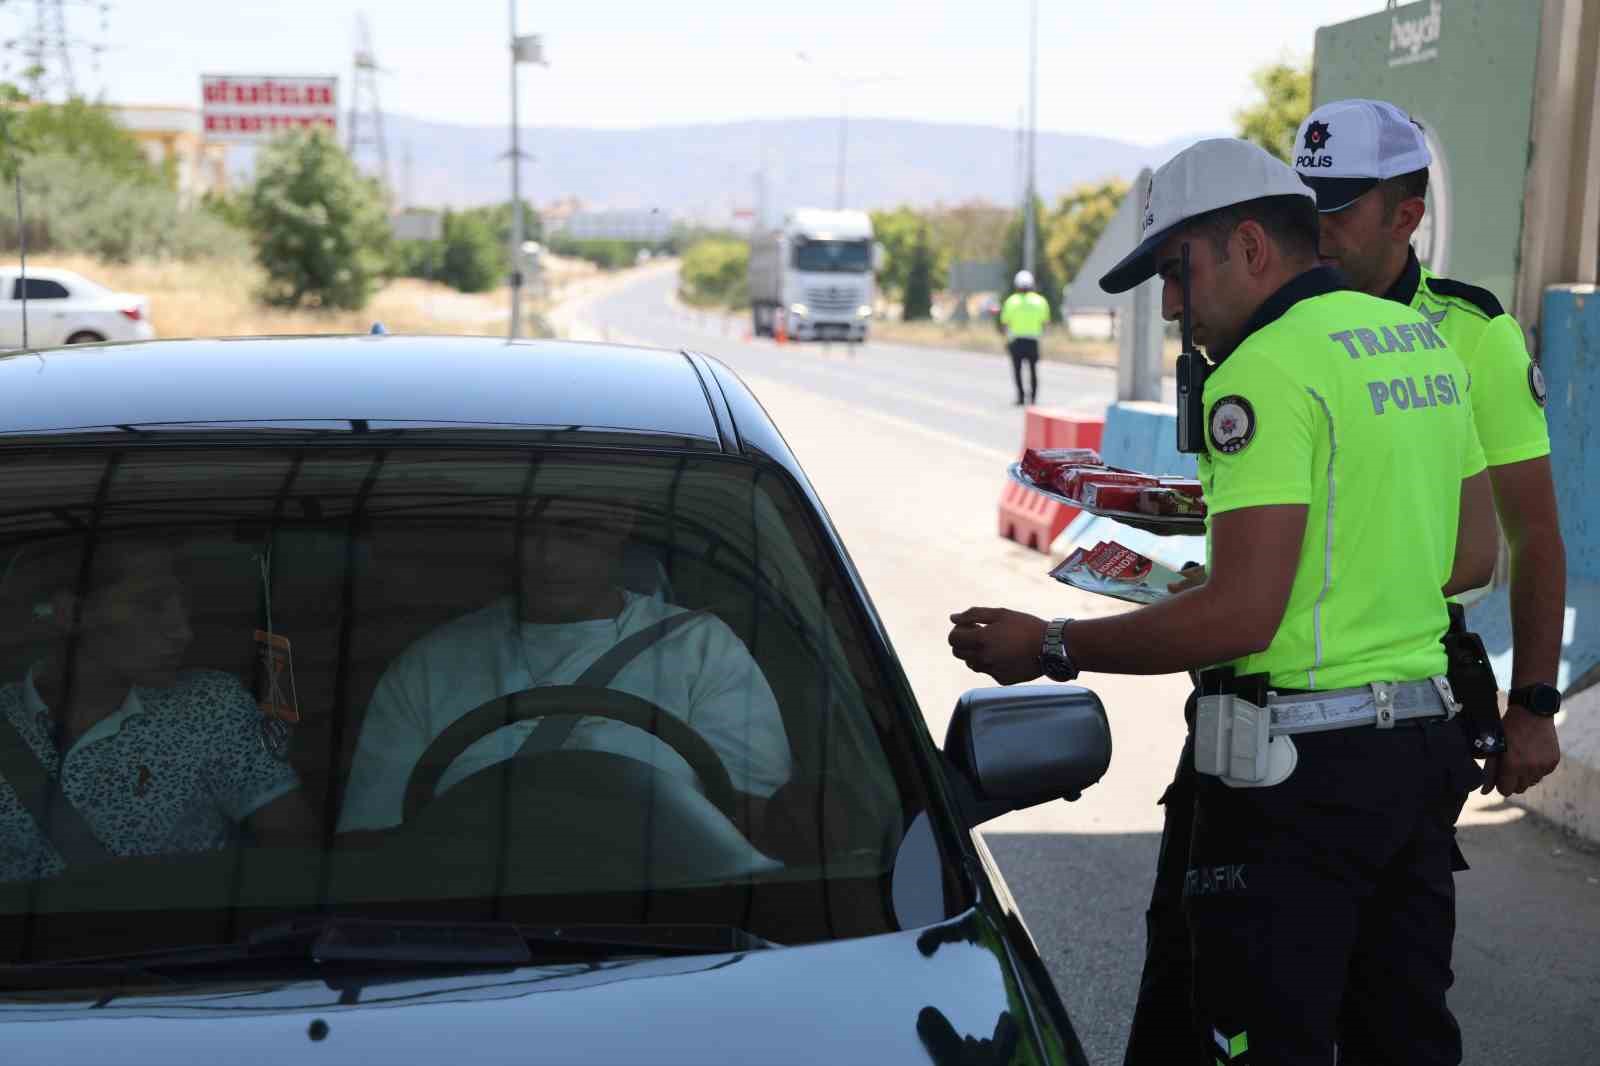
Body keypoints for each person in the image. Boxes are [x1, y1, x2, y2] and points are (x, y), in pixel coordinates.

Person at [948, 138, 1496, 1065]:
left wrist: (1050, 643)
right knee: (1399, 1038)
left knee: (1252, 1039)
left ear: (1248, 246)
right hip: (1418, 758)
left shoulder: (1262, 372)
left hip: (1300, 782)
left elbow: (1244, 616)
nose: (1169, 305)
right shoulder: (1424, 345)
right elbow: (1471, 555)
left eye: (1174, 271)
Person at [1120, 99, 1571, 1065]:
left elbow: (1523, 538)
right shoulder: (1250, 337)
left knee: (1332, 1005)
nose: (1313, 228)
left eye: (1337, 208)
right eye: (1303, 202)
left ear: (1405, 217)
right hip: (1254, 699)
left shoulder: (1463, 334)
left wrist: (1534, 701)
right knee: (1193, 967)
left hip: (1367, 701)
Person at [337, 471, 794, 838]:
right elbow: (373, 845)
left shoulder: (702, 650)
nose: (548, 557)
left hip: (667, 929)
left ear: (621, 522)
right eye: (530, 532)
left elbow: (753, 826)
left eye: (575, 532)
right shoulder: (429, 667)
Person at [0, 536, 318, 883]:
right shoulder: (9, 722)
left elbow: (296, 860)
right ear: (71, 613)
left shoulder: (210, 705)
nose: (184, 632)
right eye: (151, 605)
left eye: (184, 605)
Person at [999, 270, 1049, 405]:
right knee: (1033, 370)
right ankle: (1033, 399)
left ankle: (1021, 397)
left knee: (1017, 370)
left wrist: (1005, 340)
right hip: (1033, 340)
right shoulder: (1040, 301)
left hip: (1016, 341)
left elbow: (1005, 323)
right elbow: (1045, 323)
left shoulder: (1011, 301)